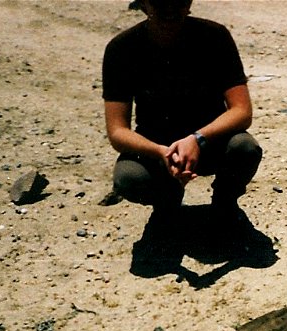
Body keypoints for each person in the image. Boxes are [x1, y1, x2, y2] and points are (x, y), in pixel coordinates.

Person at [102, 0, 261, 226]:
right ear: (145, 4)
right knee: (129, 177)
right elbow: (117, 131)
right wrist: (161, 152)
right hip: (157, 149)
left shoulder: (214, 37)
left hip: (210, 142)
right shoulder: (122, 49)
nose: (170, 7)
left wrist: (197, 139)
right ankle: (167, 203)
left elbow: (242, 111)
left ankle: (224, 203)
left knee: (244, 147)